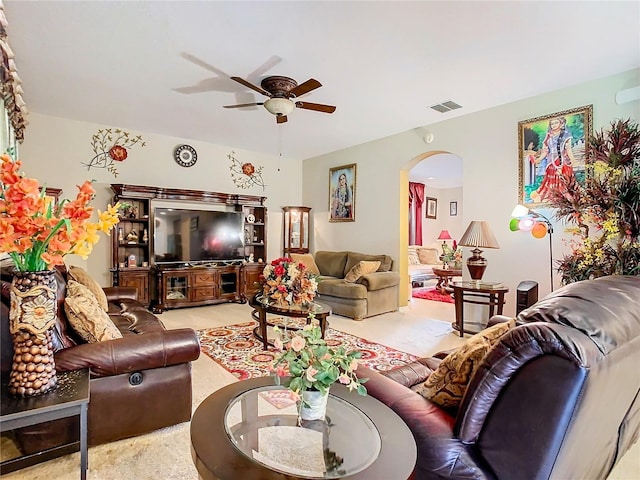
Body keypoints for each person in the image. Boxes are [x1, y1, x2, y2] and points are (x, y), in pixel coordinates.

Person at [530, 116, 576, 202]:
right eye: (552, 124)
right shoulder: (548, 136)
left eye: (556, 123)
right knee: (550, 181)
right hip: (551, 162)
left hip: (563, 162)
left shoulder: (566, 135)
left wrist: (573, 160)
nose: (554, 125)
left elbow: (568, 149)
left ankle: (563, 197)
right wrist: (538, 160)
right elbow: (545, 151)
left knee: (563, 181)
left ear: (561, 123)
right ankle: (549, 196)